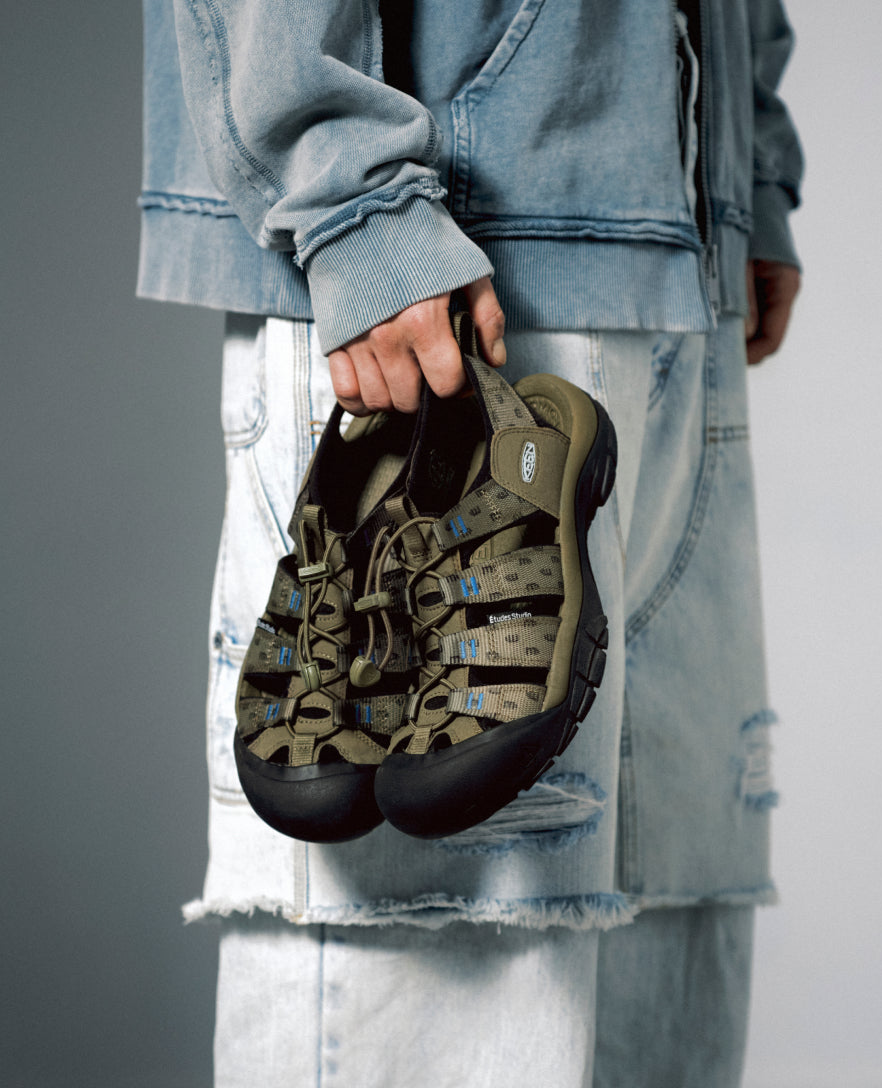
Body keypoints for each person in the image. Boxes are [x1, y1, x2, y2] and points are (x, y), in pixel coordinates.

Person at [139, 1, 802, 1084]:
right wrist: (355, 200)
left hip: (674, 236)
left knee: (661, 961)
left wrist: (748, 167)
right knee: (438, 982)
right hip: (432, 259)